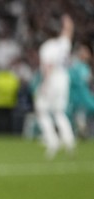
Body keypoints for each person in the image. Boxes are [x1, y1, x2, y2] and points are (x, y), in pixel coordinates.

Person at [34, 14, 75, 159]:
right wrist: (67, 21)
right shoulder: (63, 43)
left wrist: (44, 84)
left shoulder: (47, 47)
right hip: (64, 79)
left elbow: (48, 67)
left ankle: (52, 140)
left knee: (41, 109)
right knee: (59, 112)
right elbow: (68, 32)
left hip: (52, 79)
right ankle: (69, 141)